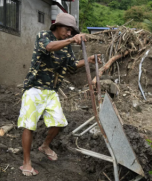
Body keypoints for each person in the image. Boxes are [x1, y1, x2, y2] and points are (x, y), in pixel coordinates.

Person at [17, 13, 100, 176]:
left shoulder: (67, 46)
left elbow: (71, 65)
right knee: (29, 125)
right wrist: (71, 40)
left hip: (51, 91)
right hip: (35, 88)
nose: (69, 33)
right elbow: (48, 47)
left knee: (59, 123)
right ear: (58, 26)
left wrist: (88, 60)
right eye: (67, 30)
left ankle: (45, 146)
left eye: (71, 31)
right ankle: (26, 163)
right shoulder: (43, 36)